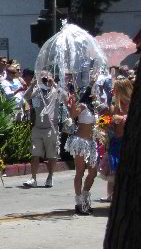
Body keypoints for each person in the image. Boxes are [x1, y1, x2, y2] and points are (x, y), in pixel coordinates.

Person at [23, 71, 67, 188]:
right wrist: (32, 85)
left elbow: (66, 97)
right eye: (42, 78)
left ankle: (50, 177)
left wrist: (53, 84)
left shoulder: (55, 91)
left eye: (46, 78)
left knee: (52, 155)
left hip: (51, 128)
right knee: (34, 154)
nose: (44, 80)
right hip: (38, 128)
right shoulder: (37, 91)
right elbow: (26, 96)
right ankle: (33, 178)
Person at [66, 86, 98, 215]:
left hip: (92, 143)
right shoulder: (83, 106)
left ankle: (84, 197)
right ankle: (79, 203)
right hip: (80, 142)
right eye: (95, 91)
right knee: (80, 172)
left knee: (93, 172)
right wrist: (73, 104)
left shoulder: (95, 107)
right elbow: (73, 115)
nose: (98, 94)